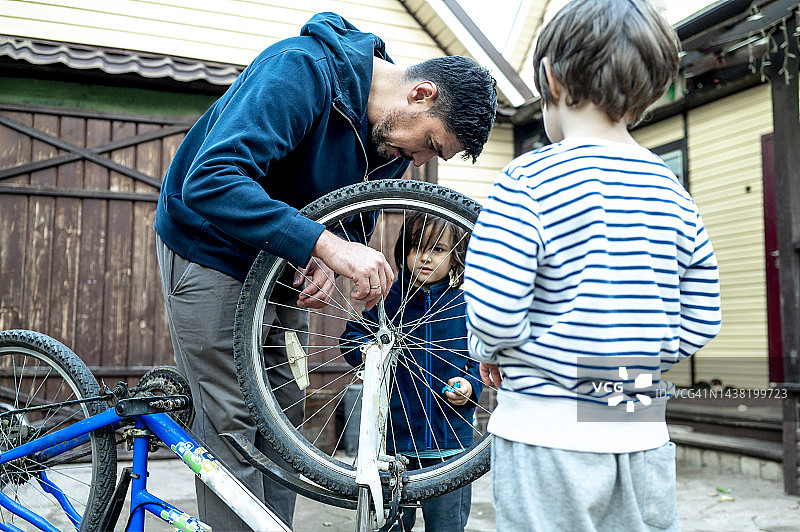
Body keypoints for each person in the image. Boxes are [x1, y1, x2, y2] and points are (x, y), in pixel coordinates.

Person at [154, 11, 497, 531]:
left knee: (285, 421)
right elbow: (212, 180)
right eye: (429, 143)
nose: (420, 158)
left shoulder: (391, 142)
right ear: (421, 94)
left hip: (276, 267)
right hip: (212, 250)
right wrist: (322, 245)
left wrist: (325, 259)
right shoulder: (301, 70)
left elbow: (349, 218)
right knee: (233, 424)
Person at [462, 1, 721, 531]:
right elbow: (703, 315)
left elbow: (493, 310)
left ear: (552, 78)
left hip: (548, 434)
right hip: (643, 430)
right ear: (648, 91)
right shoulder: (670, 190)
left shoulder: (527, 180)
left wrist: (492, 350)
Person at [341, 211, 483, 532]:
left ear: (456, 255)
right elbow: (351, 337)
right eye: (417, 247)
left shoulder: (468, 303)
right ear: (403, 249)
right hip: (392, 442)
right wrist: (367, 352)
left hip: (451, 445)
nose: (425, 258)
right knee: (389, 525)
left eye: (437, 249)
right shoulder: (387, 296)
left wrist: (471, 386)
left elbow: (481, 358)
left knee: (447, 525)